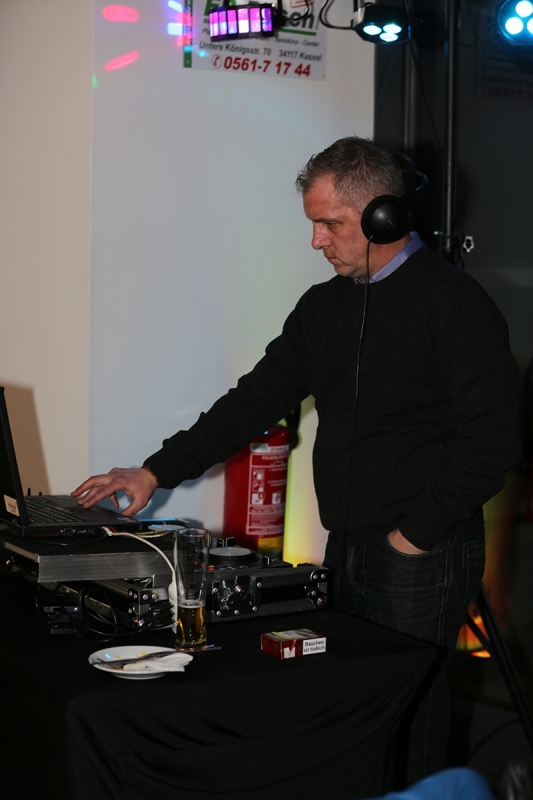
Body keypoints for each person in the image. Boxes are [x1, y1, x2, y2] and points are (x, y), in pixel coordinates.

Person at [72, 137, 521, 784]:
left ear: (383, 216)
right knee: (355, 711)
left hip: (424, 550)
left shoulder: (455, 305)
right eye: (314, 223)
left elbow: (491, 443)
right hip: (348, 543)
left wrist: (414, 535)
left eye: (330, 224)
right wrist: (153, 471)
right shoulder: (324, 308)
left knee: (409, 716)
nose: (316, 241)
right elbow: (250, 402)